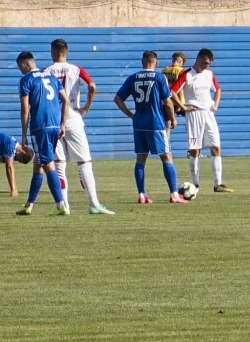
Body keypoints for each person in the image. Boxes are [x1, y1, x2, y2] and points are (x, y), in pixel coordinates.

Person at [43, 38, 115, 215]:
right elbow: (92, 85)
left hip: (53, 120)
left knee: (59, 164)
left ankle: (64, 205)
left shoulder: (46, 71)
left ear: (53, 52)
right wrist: (87, 107)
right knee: (84, 162)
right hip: (73, 116)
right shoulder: (76, 69)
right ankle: (94, 203)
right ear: (66, 53)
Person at [114, 50, 187, 204]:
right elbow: (168, 102)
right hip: (156, 123)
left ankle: (142, 194)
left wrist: (131, 115)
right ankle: (174, 194)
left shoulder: (133, 78)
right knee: (167, 157)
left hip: (139, 123)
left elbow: (118, 99)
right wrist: (173, 118)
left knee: (140, 159)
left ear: (142, 62)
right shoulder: (160, 77)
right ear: (156, 62)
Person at [170, 47, 233, 193]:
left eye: (209, 64)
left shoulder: (209, 74)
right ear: (198, 58)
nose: (207, 66)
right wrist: (183, 107)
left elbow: (217, 89)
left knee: (216, 146)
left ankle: (218, 184)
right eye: (205, 63)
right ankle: (195, 185)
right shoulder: (186, 74)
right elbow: (172, 91)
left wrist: (215, 104)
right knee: (194, 150)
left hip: (208, 114)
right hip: (193, 115)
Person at [16, 51, 70, 216]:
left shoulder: (26, 80)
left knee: (47, 164)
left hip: (40, 127)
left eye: (20, 67)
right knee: (38, 165)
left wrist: (24, 134)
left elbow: (25, 108)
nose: (20, 71)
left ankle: (61, 205)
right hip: (54, 125)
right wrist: (63, 124)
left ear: (25, 64)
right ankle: (29, 204)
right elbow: (66, 100)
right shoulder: (51, 77)